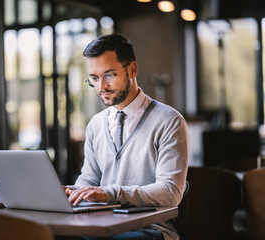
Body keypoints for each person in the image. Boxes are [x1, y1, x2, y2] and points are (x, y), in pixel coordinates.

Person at [64, 33, 188, 240]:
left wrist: (110, 193)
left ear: (132, 69)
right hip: (101, 225)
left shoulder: (169, 121)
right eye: (94, 78)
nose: (101, 87)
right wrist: (70, 192)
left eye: (109, 75)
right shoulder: (95, 124)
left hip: (149, 230)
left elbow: (170, 192)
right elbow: (89, 179)